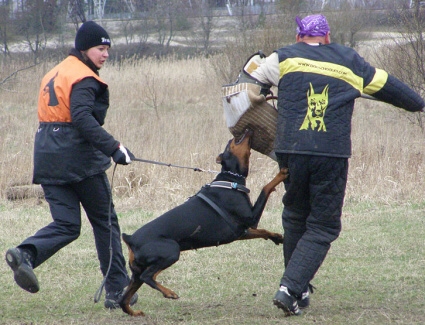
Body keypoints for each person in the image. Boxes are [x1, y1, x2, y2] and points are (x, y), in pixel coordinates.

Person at [250, 14, 424, 316]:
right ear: (327, 36)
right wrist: (419, 103)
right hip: (329, 153)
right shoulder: (350, 61)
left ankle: (298, 289)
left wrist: (264, 93)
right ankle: (290, 288)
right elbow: (398, 92)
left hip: (290, 150)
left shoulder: (284, 56)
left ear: (298, 35)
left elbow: (252, 83)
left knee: (294, 216)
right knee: (324, 224)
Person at [5, 21, 138, 309]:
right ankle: (117, 289)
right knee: (105, 223)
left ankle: (26, 253)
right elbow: (81, 118)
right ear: (84, 48)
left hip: (47, 156)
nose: (105, 55)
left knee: (66, 224)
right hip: (78, 160)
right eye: (100, 49)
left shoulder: (55, 72)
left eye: (107, 49)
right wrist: (114, 147)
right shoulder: (84, 77)